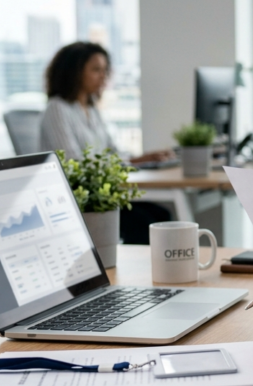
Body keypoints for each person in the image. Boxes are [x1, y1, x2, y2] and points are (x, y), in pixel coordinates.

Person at [40, 41, 173, 243]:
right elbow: (73, 164)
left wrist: (141, 158)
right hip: (79, 200)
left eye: (105, 70)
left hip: (100, 193)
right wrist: (131, 162)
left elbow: (112, 151)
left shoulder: (91, 109)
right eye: (96, 70)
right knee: (145, 222)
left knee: (161, 215)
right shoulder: (57, 109)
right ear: (74, 72)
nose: (103, 76)